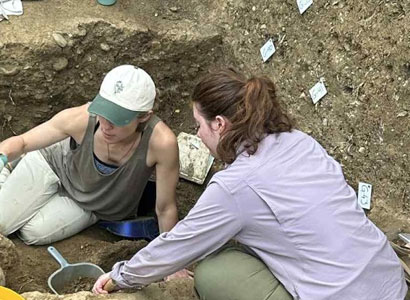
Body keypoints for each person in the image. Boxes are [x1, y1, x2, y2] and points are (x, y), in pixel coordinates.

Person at [92, 68, 407, 300]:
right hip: (391, 280)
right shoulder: (300, 142)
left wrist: (119, 277)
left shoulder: (234, 187)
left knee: (215, 272)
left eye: (198, 125)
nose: (197, 134)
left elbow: (178, 245)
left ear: (219, 124)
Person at [0, 65, 180, 247]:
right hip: (53, 165)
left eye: (117, 119)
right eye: (103, 112)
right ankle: (6, 164)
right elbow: (25, 141)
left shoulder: (161, 143)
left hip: (92, 202)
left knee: (32, 233)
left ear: (143, 116)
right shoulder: (81, 119)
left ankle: (24, 181)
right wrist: (1, 156)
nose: (106, 125)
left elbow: (165, 207)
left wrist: (171, 261)